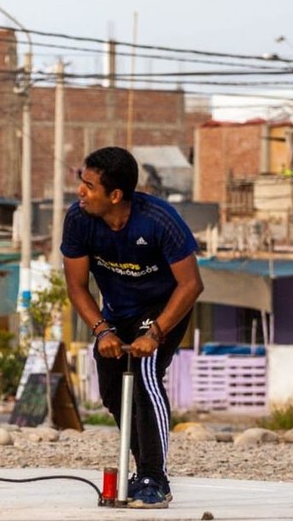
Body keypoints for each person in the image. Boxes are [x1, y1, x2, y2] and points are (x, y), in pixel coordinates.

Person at [60, 146, 203, 509]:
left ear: (115, 195)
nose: (80, 192)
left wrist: (155, 333)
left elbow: (191, 285)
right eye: (82, 182)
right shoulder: (79, 220)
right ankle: (143, 472)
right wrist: (102, 330)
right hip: (118, 311)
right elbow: (76, 286)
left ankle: (155, 478)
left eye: (89, 186)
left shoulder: (159, 220)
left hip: (165, 306)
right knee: (111, 388)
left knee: (144, 374)